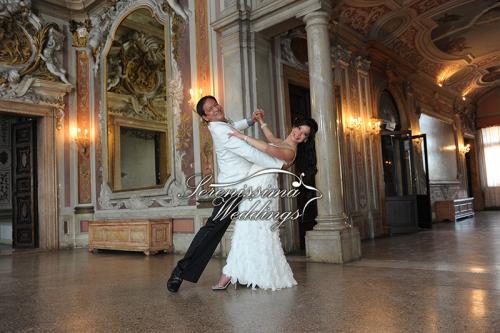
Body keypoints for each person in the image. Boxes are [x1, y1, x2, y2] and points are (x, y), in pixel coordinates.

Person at [167, 96, 285, 292]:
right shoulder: (221, 131)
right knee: (213, 229)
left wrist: (250, 120)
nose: (215, 109)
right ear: (205, 117)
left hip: (246, 184)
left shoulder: (222, 124)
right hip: (233, 189)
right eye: (210, 110)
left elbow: (234, 125)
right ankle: (180, 271)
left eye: (216, 105)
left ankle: (246, 273)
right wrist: (278, 163)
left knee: (251, 228)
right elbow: (248, 152)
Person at [212, 112, 318, 291]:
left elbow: (267, 149)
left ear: (306, 139)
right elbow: (270, 137)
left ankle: (230, 274)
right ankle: (241, 273)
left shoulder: (290, 152)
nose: (299, 134)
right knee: (247, 230)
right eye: (299, 128)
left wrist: (242, 136)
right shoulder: (283, 142)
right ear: (295, 125)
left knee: (249, 230)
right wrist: (261, 121)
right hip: (255, 186)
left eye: (304, 134)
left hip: (262, 191)